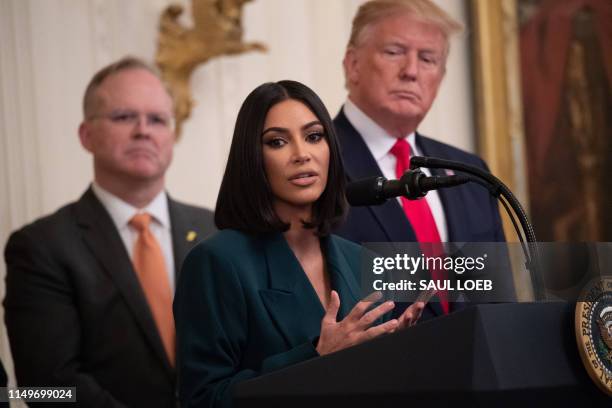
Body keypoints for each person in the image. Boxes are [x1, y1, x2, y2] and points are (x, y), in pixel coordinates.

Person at [174, 80, 425, 407]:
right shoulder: (216, 262)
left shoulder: (358, 258)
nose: (302, 154)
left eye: (314, 136)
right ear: (253, 158)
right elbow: (203, 400)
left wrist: (395, 353)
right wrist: (317, 356)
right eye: (277, 142)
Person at [4, 56, 215, 407]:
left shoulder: (215, 230)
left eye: (158, 119)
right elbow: (46, 388)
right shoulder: (41, 247)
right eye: (124, 117)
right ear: (86, 135)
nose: (143, 130)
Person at [334, 0, 514, 317]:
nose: (411, 71)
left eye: (427, 59)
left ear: (440, 79)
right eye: (394, 52)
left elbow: (499, 305)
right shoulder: (314, 166)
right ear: (353, 64)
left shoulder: (472, 174)